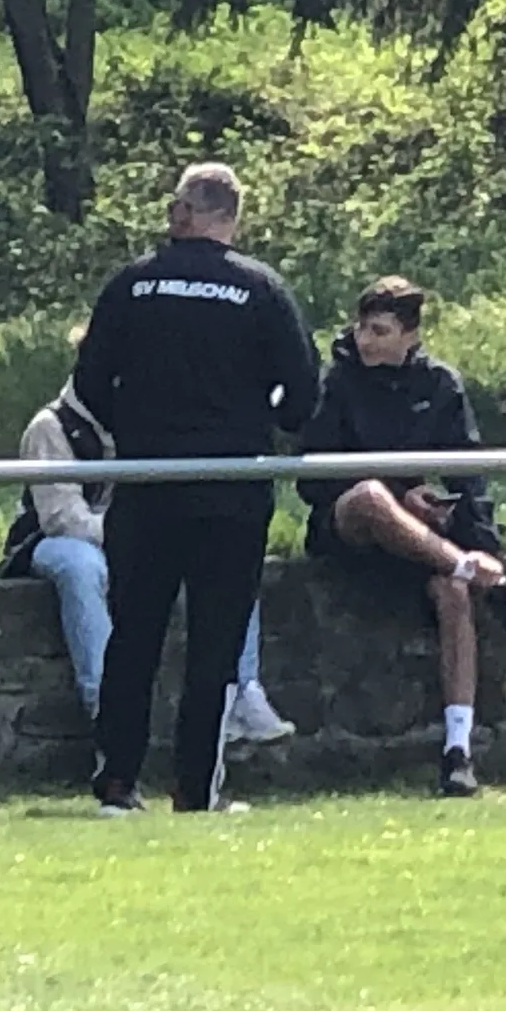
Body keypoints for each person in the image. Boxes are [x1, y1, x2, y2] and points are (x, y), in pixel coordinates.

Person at [73, 163, 320, 815]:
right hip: (230, 488)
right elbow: (303, 393)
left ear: (184, 211)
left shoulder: (131, 284)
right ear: (232, 217)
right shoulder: (261, 289)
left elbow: (90, 381)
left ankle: (117, 782)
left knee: (133, 636)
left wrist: (135, 430)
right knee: (215, 645)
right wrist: (257, 421)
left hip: (145, 482)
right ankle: (195, 789)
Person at [299, 276, 506, 799]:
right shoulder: (336, 383)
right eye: (363, 328)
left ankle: (458, 751)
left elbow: (468, 474)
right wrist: (398, 496)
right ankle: (484, 579)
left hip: (422, 540)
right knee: (370, 496)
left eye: (380, 331)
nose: (366, 340)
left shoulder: (441, 385)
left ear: (410, 335)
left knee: (453, 594)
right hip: (349, 530)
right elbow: (313, 481)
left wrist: (477, 538)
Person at [0, 367, 293, 740]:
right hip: (51, 540)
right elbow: (63, 518)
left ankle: (241, 692)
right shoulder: (50, 426)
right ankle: (106, 704)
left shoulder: (153, 421)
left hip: (134, 535)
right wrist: (136, 536)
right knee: (81, 566)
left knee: (225, 555)